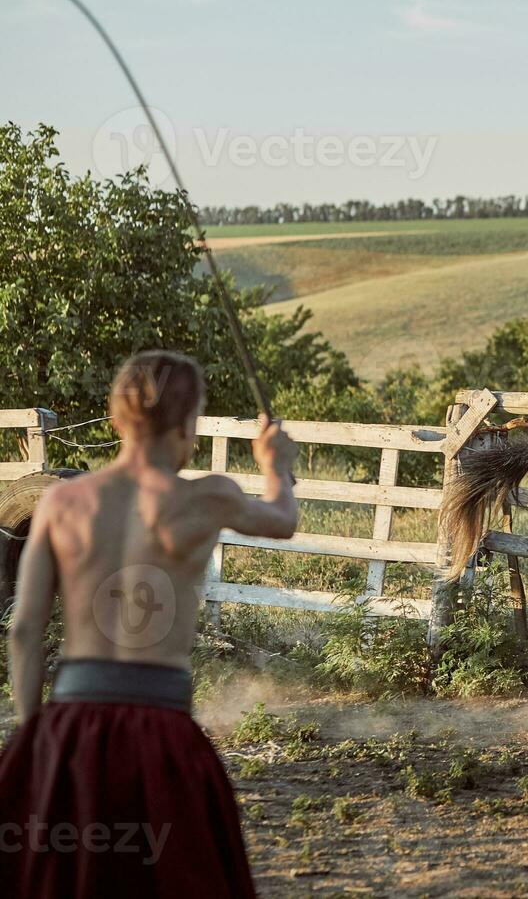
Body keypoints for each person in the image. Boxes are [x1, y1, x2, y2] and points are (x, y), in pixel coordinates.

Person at [0, 350, 299, 898]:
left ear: (115, 418)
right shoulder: (207, 498)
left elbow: (24, 629)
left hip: (70, 726)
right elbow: (283, 519)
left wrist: (34, 732)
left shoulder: (62, 501)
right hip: (161, 731)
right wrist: (275, 464)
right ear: (187, 426)